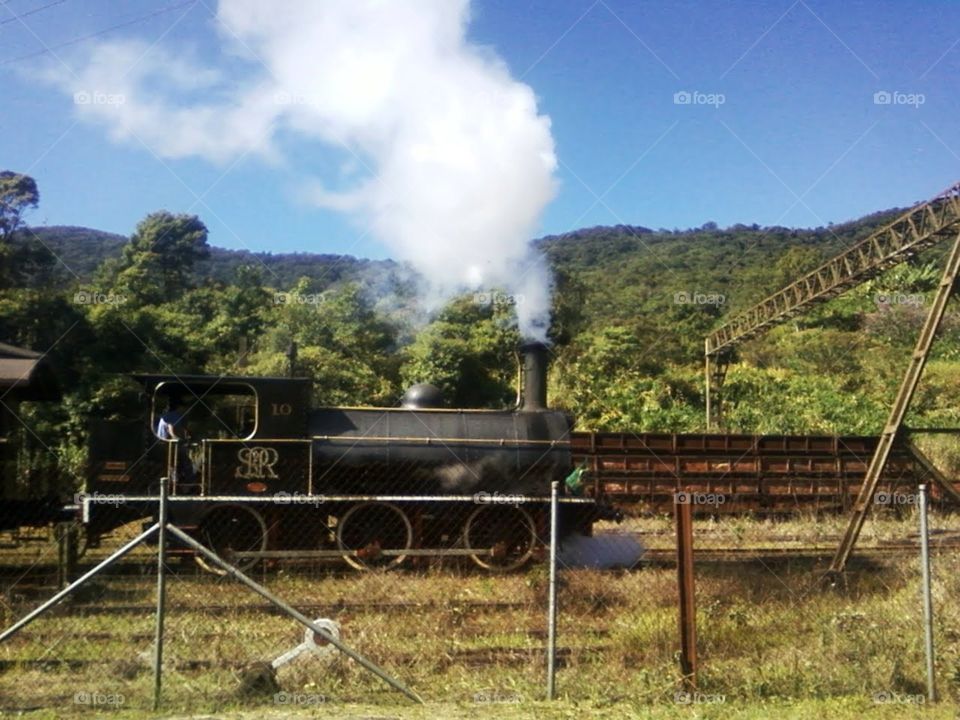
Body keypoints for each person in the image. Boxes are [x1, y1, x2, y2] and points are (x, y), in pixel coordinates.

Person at [156, 396, 196, 486]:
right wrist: (178, 439)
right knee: (184, 462)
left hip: (165, 445)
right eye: (184, 407)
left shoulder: (171, 415)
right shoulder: (174, 415)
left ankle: (178, 481)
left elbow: (183, 429)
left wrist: (188, 435)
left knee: (177, 462)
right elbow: (171, 429)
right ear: (179, 407)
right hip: (167, 445)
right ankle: (186, 483)